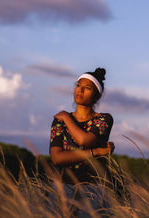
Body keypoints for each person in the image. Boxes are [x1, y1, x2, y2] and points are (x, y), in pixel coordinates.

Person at [49, 67, 114, 215]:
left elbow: (84, 140)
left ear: (97, 97)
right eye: (78, 86)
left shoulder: (104, 119)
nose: (80, 90)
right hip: (62, 186)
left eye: (87, 88)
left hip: (94, 189)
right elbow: (57, 158)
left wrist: (66, 118)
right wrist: (96, 152)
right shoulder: (58, 122)